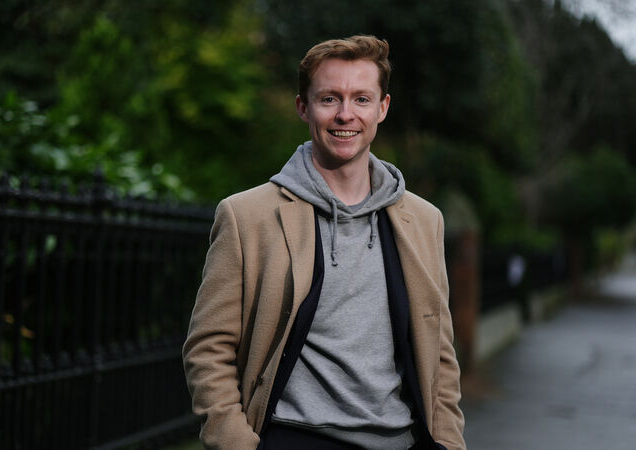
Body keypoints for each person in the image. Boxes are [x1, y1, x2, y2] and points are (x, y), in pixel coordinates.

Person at [182, 35, 465, 450]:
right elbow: (208, 348)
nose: (345, 114)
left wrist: (449, 442)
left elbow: (439, 353)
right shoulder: (247, 216)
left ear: (382, 108)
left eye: (361, 99)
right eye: (329, 99)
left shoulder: (424, 221)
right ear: (303, 107)